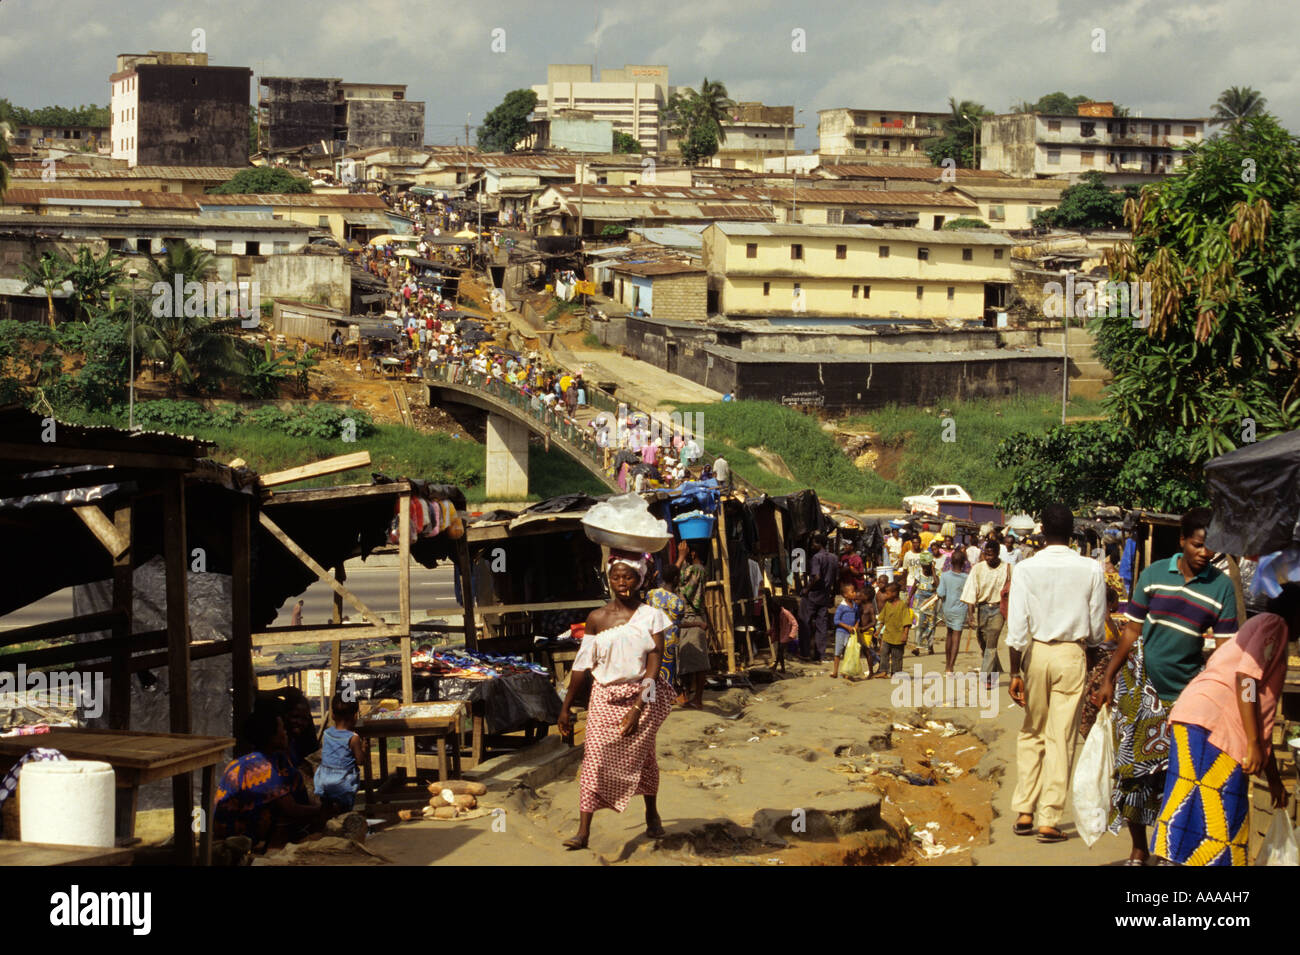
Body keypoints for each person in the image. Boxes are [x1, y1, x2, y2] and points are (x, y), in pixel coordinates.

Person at [1092, 507, 1240, 865]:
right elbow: (1131, 631)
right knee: (1133, 776)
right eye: (1198, 545)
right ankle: (1139, 849)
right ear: (1182, 542)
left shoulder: (1221, 588)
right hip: (1141, 691)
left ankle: (1167, 848)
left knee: (1177, 778)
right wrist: (1110, 676)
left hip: (1187, 698)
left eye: (1211, 548)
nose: (1205, 553)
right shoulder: (1155, 575)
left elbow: (1224, 653)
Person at [1149, 586, 1300, 866]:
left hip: (1200, 719)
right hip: (1211, 723)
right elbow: (1246, 679)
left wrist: (1275, 780)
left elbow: (1262, 716)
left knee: (1194, 809)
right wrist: (1253, 743)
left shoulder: (1264, 629)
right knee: (1212, 817)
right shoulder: (1274, 624)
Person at [1005, 503, 1107, 844]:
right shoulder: (1090, 568)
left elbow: (1016, 625)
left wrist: (1015, 671)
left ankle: (1024, 811)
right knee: (1061, 736)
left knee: (1032, 730)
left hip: (1035, 652)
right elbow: (1096, 626)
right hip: (1071, 653)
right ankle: (1049, 818)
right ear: (1073, 532)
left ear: (1042, 531)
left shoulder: (1026, 569)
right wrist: (1090, 660)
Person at [558, 552, 674, 850]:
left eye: (629, 577)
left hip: (642, 695)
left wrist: (638, 709)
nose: (622, 583)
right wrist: (565, 706)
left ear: (641, 579)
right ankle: (583, 832)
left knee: (645, 759)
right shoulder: (597, 619)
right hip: (604, 698)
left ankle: (651, 813)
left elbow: (655, 664)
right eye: (616, 577)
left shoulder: (652, 616)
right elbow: (582, 665)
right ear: (609, 579)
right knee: (593, 761)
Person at [214, 710, 323, 850]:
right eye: (282, 729)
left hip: (242, 818)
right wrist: (321, 810)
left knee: (293, 777)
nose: (286, 733)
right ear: (271, 737)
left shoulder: (270, 759)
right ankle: (274, 844)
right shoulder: (259, 767)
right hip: (233, 830)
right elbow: (291, 808)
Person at [960, 540, 1013, 684]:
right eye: (986, 554)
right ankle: (995, 669)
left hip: (999, 608)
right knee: (983, 640)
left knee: (992, 640)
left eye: (991, 555)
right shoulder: (978, 569)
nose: (989, 558)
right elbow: (971, 591)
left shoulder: (1008, 568)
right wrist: (971, 615)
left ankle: (986, 677)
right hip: (982, 608)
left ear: (997, 554)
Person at [314, 695, 364, 813]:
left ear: (332, 715)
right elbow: (360, 761)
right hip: (343, 782)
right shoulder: (353, 738)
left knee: (327, 810)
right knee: (344, 813)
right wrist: (363, 749)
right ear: (355, 716)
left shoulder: (327, 733)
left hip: (324, 780)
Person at [676, 544, 711, 708]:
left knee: (698, 661)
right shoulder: (694, 568)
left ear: (693, 552)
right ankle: (688, 696)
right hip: (690, 618)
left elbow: (684, 590)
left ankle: (697, 698)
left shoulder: (696, 569)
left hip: (693, 617)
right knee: (688, 659)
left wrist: (680, 558)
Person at [646, 563, 687, 689]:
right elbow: (677, 622)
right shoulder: (677, 602)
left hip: (651, 638)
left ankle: (649, 698)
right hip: (668, 642)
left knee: (651, 670)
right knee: (666, 672)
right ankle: (665, 700)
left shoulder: (651, 594)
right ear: (675, 579)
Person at [798, 534, 837, 662]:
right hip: (825, 596)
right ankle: (820, 654)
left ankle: (805, 653)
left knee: (804, 623)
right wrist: (833, 594)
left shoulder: (816, 558)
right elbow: (836, 578)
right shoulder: (834, 558)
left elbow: (816, 577)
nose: (811, 546)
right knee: (822, 626)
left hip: (813, 596)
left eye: (813, 543)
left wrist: (806, 590)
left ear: (819, 543)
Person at [937, 549, 971, 674]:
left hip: (948, 609)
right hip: (961, 611)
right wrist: (971, 615)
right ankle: (951, 667)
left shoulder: (945, 576)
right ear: (963, 563)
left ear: (951, 562)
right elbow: (969, 596)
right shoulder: (966, 578)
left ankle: (947, 664)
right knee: (956, 638)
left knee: (949, 635)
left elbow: (940, 593)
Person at [874, 581, 912, 678]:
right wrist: (878, 630)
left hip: (898, 636)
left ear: (895, 593)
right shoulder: (887, 604)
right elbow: (882, 618)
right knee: (884, 653)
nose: (886, 595)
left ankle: (896, 672)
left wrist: (905, 634)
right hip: (887, 635)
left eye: (888, 593)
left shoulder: (902, 605)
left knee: (897, 656)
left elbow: (906, 621)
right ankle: (883, 670)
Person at [908, 551, 940, 656]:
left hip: (931, 600)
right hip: (919, 599)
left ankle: (929, 646)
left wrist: (933, 572)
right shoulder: (918, 572)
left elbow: (937, 585)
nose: (925, 568)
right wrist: (909, 597)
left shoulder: (937, 572)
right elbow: (914, 585)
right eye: (924, 566)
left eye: (927, 566)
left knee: (930, 624)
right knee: (919, 624)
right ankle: (917, 647)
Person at [831, 581, 859, 679]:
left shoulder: (855, 606)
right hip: (841, 632)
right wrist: (847, 627)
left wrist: (856, 626)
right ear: (845, 595)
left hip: (851, 633)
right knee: (838, 652)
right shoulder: (841, 607)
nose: (855, 593)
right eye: (852, 592)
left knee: (848, 653)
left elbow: (857, 618)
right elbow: (836, 620)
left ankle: (846, 672)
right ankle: (835, 672)